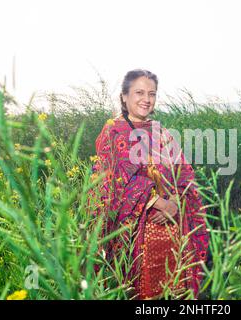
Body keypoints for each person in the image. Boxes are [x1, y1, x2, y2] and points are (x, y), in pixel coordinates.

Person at [87, 69, 209, 299]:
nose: (146, 99)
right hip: (137, 231)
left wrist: (174, 202)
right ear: (124, 96)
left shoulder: (160, 131)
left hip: (174, 227)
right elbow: (112, 179)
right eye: (139, 92)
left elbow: (182, 170)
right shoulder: (113, 130)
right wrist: (156, 203)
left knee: (177, 290)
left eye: (151, 93)